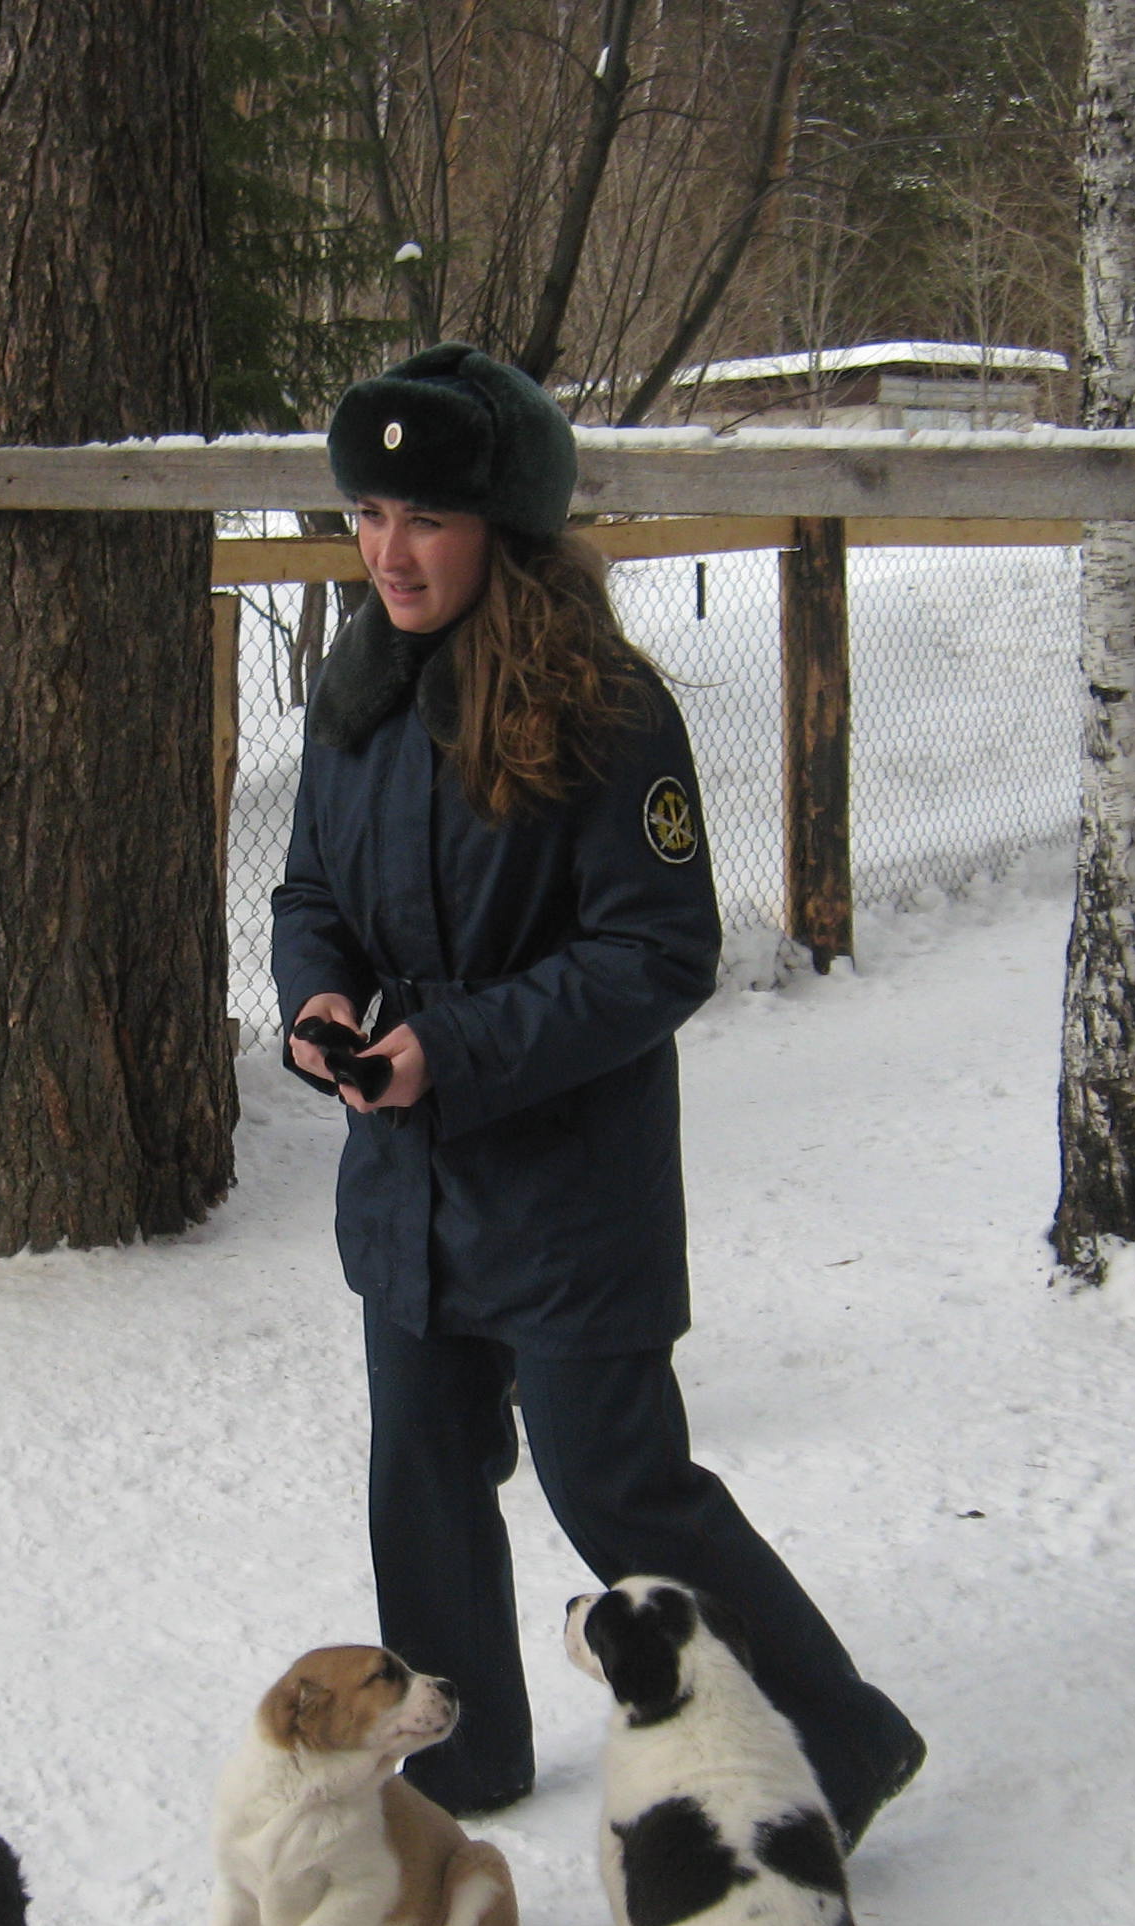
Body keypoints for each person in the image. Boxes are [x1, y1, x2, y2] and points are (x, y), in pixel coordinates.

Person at [270, 342, 926, 1848]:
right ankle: (461, 1759)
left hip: (569, 1193)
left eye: (423, 518)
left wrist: (461, 1047)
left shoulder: (607, 710)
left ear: (504, 524)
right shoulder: (357, 696)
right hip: (408, 1187)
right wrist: (319, 997)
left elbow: (658, 952)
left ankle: (839, 1743)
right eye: (366, 515)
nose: (389, 552)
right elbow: (314, 889)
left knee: (619, 1491)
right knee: (421, 1485)